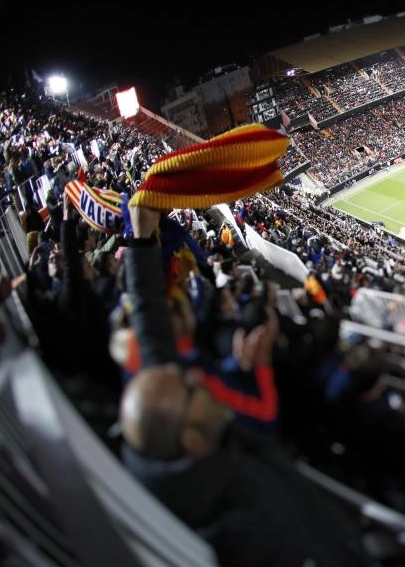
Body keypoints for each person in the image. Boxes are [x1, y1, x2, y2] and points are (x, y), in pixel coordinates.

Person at [118, 203, 366, 566]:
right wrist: (260, 367)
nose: (198, 381)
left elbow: (149, 321)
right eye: (192, 391)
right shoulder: (251, 522)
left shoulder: (164, 420)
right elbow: (264, 426)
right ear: (191, 438)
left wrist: (141, 238)